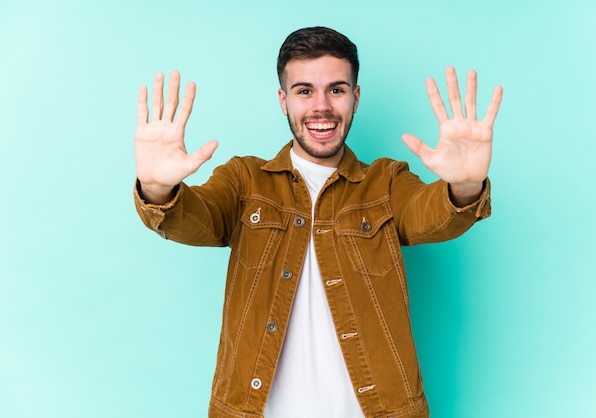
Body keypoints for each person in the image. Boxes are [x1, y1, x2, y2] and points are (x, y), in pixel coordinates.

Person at [133, 26, 502, 418]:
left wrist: (464, 185)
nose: (321, 106)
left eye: (337, 90)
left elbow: (431, 215)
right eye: (304, 90)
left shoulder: (386, 182)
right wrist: (158, 190)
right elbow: (195, 218)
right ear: (283, 100)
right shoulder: (244, 181)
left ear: (355, 98)